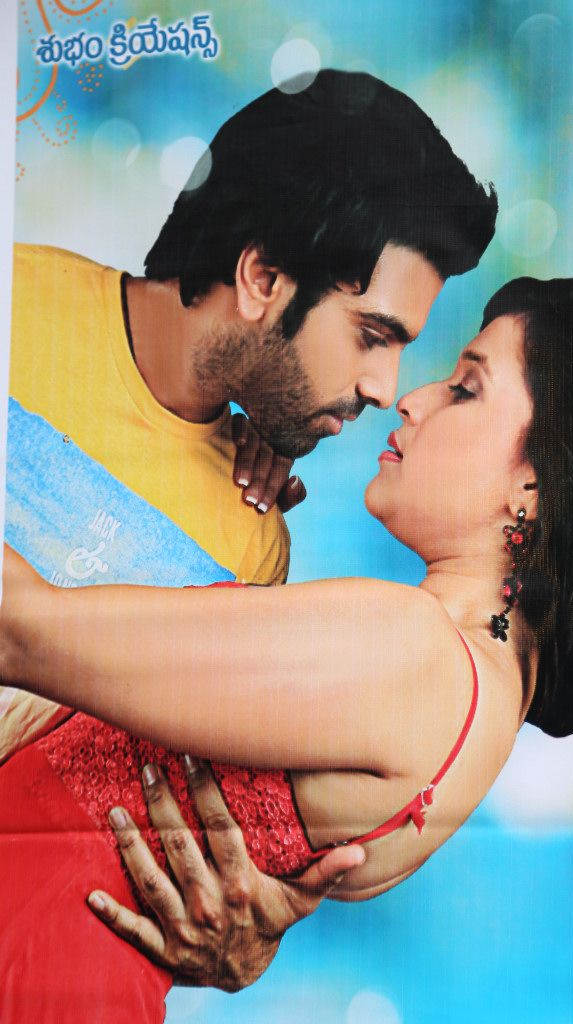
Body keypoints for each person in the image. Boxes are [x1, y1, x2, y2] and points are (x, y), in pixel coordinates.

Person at [2, 278, 573, 1018]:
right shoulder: (475, 711)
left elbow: (19, 630)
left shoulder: (413, 652)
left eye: (465, 388)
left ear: (536, 486)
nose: (411, 399)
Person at [0, 69, 497, 1001]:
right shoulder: (13, 307)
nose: (386, 387)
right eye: (373, 334)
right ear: (263, 278)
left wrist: (236, 929)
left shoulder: (253, 544)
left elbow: (114, 851)